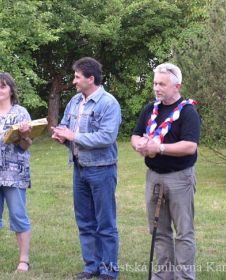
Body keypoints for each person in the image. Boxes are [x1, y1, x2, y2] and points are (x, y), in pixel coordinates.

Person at [52, 57, 121, 280]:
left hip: (102, 170)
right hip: (79, 168)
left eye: (77, 77)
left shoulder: (108, 103)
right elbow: (65, 125)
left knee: (105, 223)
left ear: (91, 79)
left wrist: (73, 136)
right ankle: (91, 266)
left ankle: (109, 271)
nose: (73, 81)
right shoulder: (74, 101)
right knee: (84, 221)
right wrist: (60, 135)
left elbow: (107, 136)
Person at [131, 63, 201, 280]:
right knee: (158, 232)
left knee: (184, 233)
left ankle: (184, 277)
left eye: (162, 84)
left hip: (180, 178)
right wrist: (139, 144)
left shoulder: (188, 111)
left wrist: (159, 148)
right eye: (155, 83)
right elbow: (134, 135)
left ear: (176, 86)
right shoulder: (150, 109)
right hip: (154, 176)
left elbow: (190, 146)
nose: (157, 88)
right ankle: (162, 277)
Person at [0, 72, 33, 272]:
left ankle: (24, 259)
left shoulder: (21, 113)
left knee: (18, 215)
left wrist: (25, 135)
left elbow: (25, 146)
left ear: (11, 90)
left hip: (14, 173)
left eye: (2, 86)